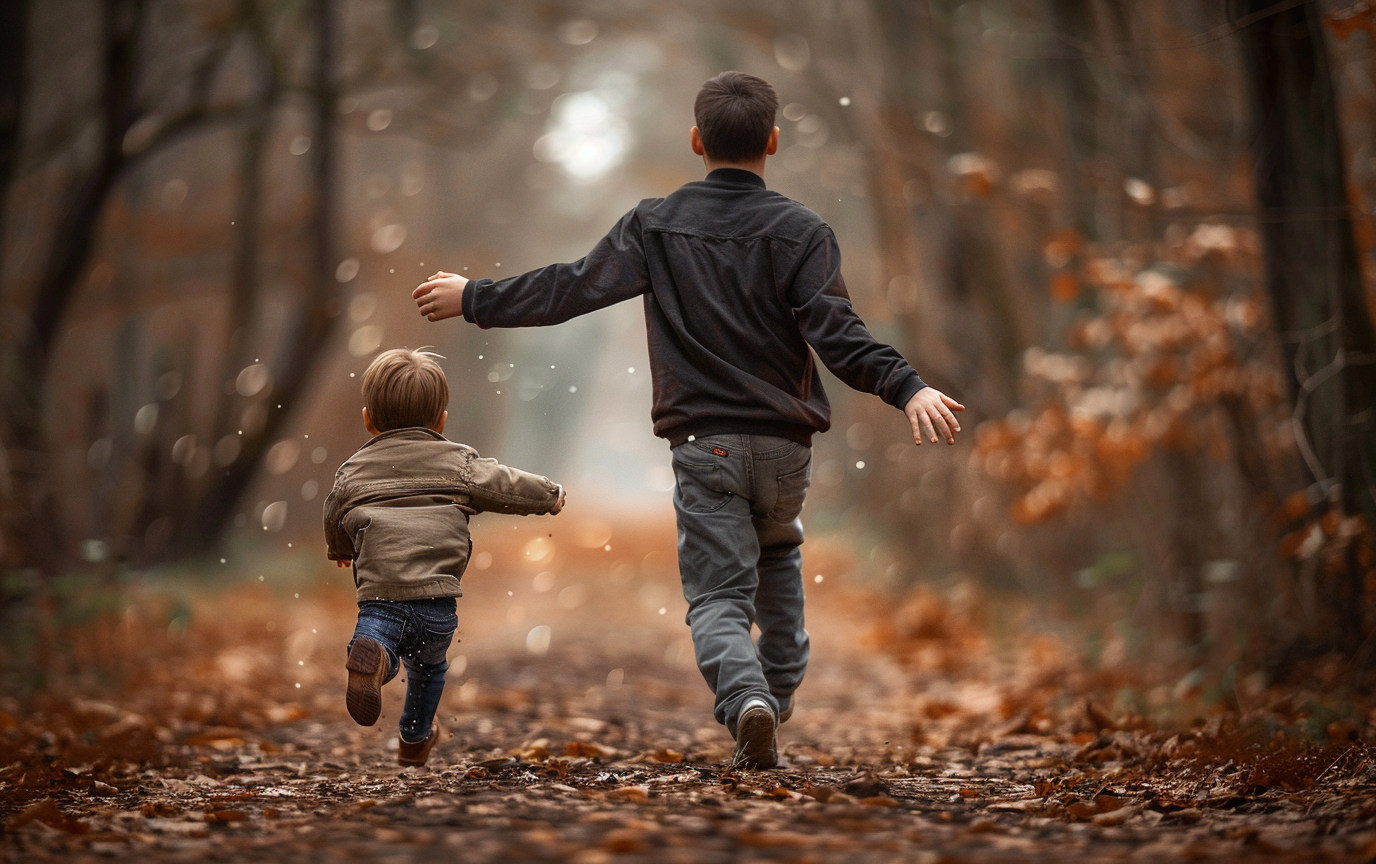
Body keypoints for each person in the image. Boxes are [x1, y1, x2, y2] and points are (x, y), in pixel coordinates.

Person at [411, 71, 963, 768]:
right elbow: (839, 335)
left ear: (696, 141)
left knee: (717, 598)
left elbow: (573, 289)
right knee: (779, 551)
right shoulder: (802, 232)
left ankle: (748, 698)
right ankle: (779, 682)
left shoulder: (654, 225)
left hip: (707, 448)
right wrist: (907, 386)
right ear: (774, 141)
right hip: (786, 448)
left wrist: (476, 298)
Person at [322, 348, 565, 766]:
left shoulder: (353, 471)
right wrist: (550, 495)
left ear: (368, 419)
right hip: (437, 601)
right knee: (429, 670)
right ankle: (414, 738)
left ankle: (376, 655)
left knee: (382, 638)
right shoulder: (458, 463)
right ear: (441, 421)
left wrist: (340, 550)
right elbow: (504, 484)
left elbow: (334, 513)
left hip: (381, 597)